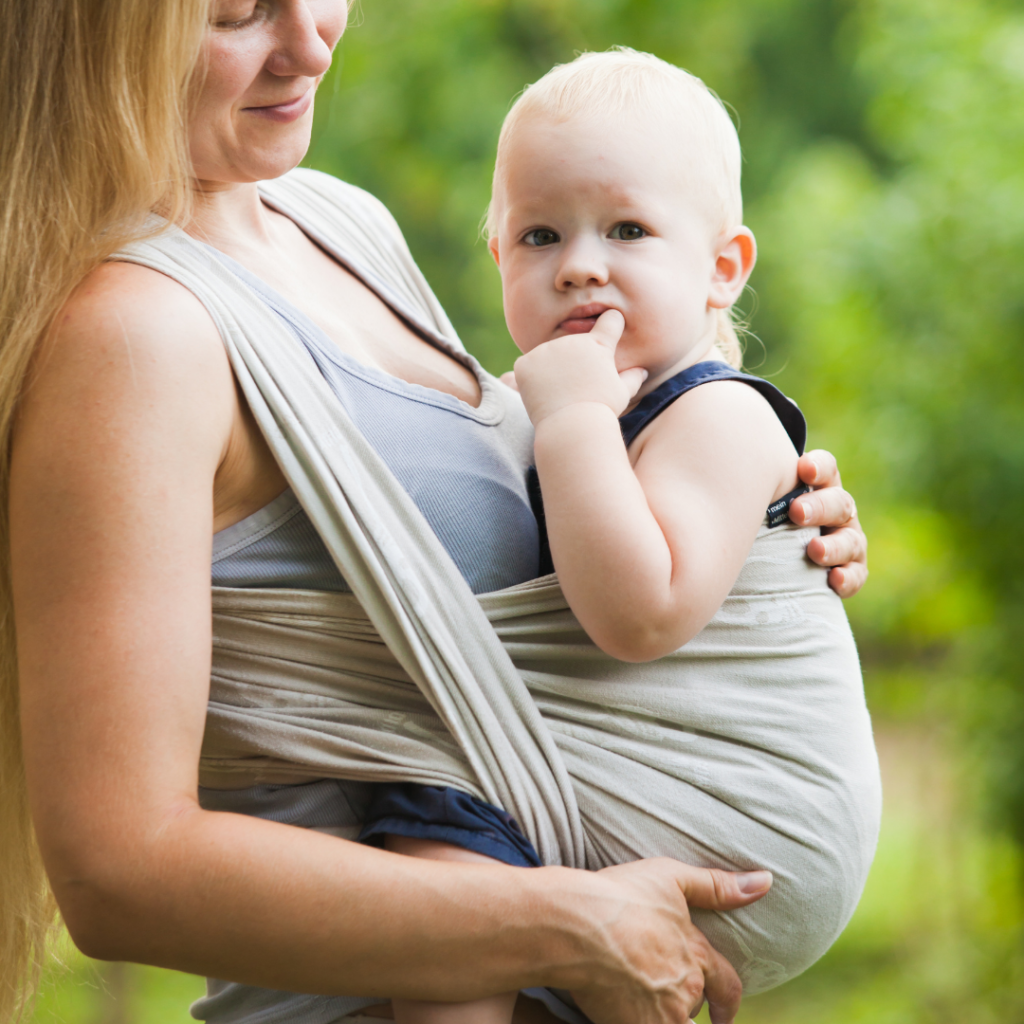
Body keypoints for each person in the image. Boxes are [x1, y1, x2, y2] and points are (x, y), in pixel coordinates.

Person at [0, 5, 869, 1024]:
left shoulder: (331, 219)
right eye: (238, 12)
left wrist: (750, 527)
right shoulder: (137, 335)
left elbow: (507, 543)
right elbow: (119, 869)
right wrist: (569, 926)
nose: (312, 42)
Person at [356, 50, 881, 1024]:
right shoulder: (551, 413)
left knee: (444, 805)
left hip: (748, 830)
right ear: (499, 260)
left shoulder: (715, 418)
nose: (580, 263)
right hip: (638, 814)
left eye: (628, 228)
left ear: (722, 268)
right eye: (539, 234)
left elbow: (637, 616)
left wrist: (570, 425)